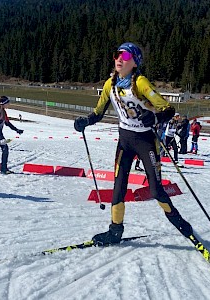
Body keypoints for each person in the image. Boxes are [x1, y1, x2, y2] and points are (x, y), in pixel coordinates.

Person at [74, 42, 193, 245]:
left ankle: (181, 224)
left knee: (156, 190)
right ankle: (115, 230)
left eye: (126, 56)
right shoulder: (109, 85)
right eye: (117, 55)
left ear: (135, 62)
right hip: (125, 142)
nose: (120, 59)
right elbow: (98, 112)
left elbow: (168, 109)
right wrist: (85, 120)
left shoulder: (140, 83)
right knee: (118, 187)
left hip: (145, 142)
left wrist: (154, 118)